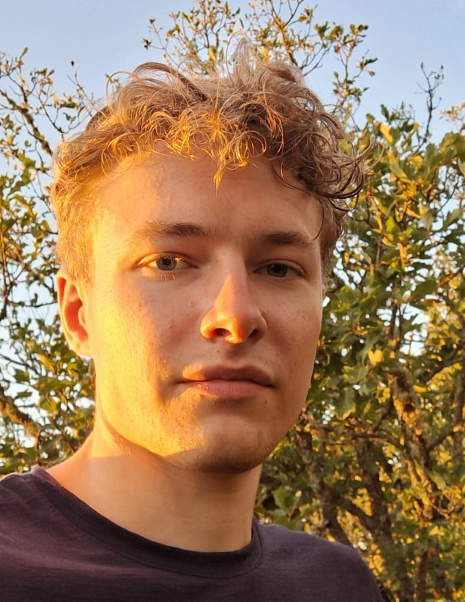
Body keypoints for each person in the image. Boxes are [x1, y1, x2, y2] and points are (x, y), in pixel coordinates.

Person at [0, 51, 383, 601]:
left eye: (279, 268)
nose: (236, 316)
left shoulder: (339, 584)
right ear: (79, 313)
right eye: (168, 262)